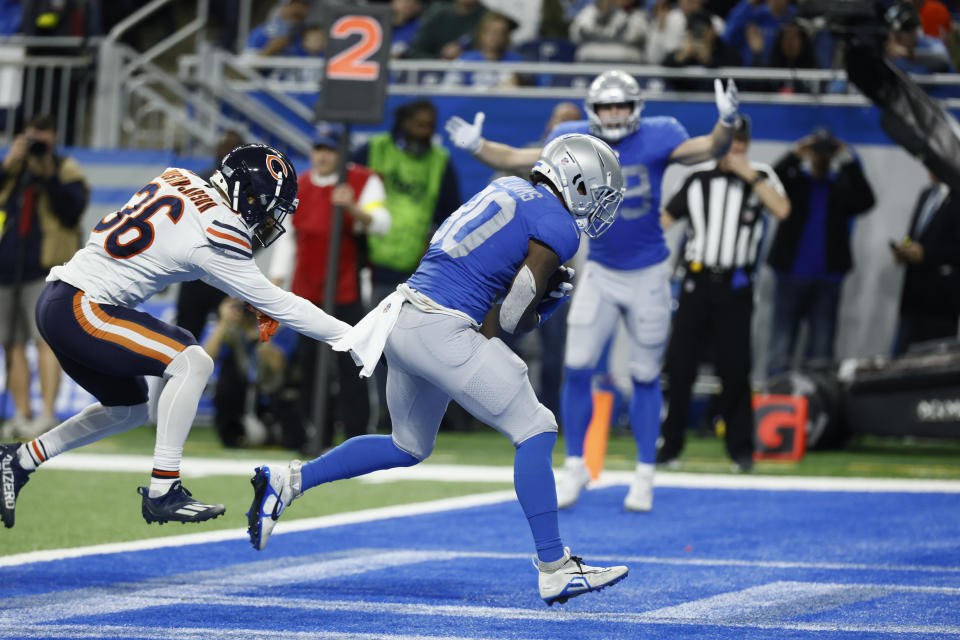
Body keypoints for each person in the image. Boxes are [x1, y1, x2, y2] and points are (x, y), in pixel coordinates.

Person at [248, 133, 630, 606]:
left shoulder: (504, 188)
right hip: (440, 325)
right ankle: (554, 568)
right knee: (536, 426)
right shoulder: (557, 224)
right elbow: (511, 318)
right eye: (598, 192)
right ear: (575, 181)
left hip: (402, 315)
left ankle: (290, 481)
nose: (598, 206)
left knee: (407, 445)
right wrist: (544, 307)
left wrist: (529, 301)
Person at [0, 144, 352, 529]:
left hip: (62, 300)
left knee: (129, 408)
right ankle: (163, 491)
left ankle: (20, 460)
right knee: (192, 360)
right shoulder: (220, 229)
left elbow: (188, 247)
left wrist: (255, 297)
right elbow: (282, 304)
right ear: (243, 191)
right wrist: (353, 337)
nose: (268, 216)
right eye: (264, 203)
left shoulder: (178, 178)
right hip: (83, 308)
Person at [444, 70, 740, 512]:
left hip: (649, 273)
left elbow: (710, 147)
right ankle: (577, 465)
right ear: (593, 110)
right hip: (600, 269)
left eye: (622, 105)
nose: (615, 114)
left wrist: (728, 122)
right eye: (607, 106)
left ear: (636, 106)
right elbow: (518, 158)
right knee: (578, 366)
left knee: (643, 374)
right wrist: (477, 146)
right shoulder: (572, 138)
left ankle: (644, 472)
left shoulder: (659, 135)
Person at [657, 116, 791, 471]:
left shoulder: (760, 176)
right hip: (696, 283)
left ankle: (740, 449)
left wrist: (749, 174)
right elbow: (664, 221)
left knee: (735, 368)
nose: (737, 150)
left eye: (742, 144)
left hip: (735, 286)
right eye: (732, 143)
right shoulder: (698, 179)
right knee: (680, 366)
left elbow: (782, 209)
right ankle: (669, 446)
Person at [269, 130, 391, 452]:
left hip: (348, 287)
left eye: (330, 151)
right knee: (310, 366)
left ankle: (357, 436)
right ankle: (316, 433)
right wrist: (277, 279)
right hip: (307, 289)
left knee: (352, 365)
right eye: (318, 150)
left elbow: (380, 223)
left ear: (342, 154)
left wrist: (353, 207)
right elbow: (287, 236)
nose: (323, 157)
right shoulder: (299, 185)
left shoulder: (363, 181)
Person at [0, 114, 88, 440]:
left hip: (45, 269)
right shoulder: (13, 169)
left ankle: (48, 414)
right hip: (6, 270)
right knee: (11, 345)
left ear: (53, 137)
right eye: (32, 135)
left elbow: (72, 210)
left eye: (43, 135)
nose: (37, 141)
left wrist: (46, 174)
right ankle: (23, 415)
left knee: (45, 342)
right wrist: (10, 162)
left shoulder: (65, 168)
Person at [766, 128, 875, 379]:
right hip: (790, 275)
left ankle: (817, 405)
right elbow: (770, 180)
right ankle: (774, 401)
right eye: (817, 152)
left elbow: (867, 200)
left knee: (821, 353)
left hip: (828, 279)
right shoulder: (795, 184)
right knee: (780, 347)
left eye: (826, 153)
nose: (822, 157)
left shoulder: (841, 188)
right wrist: (795, 154)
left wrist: (847, 159)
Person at [202, 297, 303, 450]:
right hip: (245, 394)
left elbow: (278, 364)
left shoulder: (281, 325)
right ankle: (233, 434)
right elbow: (206, 359)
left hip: (274, 391)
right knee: (227, 374)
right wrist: (223, 322)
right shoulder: (233, 330)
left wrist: (260, 334)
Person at [174, 130, 244, 341]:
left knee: (230, 335)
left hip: (225, 273)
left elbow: (263, 229)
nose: (225, 154)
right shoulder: (198, 182)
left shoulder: (250, 188)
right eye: (224, 149)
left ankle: (229, 375)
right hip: (199, 273)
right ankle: (177, 372)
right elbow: (180, 224)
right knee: (186, 335)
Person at [890, 171, 960, 354]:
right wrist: (904, 250)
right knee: (902, 355)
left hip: (940, 303)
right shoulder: (926, 194)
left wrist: (926, 254)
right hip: (912, 296)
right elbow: (914, 236)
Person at [662, 11, 743, 92]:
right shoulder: (684, 53)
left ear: (712, 30)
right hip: (687, 101)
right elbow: (666, 73)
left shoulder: (728, 53)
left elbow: (733, 82)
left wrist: (709, 61)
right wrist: (681, 58)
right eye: (693, 30)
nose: (698, 34)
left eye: (702, 30)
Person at [569, 0, 649, 63]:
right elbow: (576, 35)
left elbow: (632, 37)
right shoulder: (589, 11)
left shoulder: (638, 15)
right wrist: (602, 14)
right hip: (590, 62)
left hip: (627, 64)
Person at [406, 0, 487, 60]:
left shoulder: (487, 18)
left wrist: (463, 56)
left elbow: (492, 54)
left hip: (473, 72)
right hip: (434, 71)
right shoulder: (438, 14)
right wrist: (439, 60)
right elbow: (417, 50)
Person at [244, 0, 311, 57]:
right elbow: (246, 67)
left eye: (302, 5)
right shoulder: (262, 32)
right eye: (293, 5)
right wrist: (270, 50)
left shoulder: (312, 33)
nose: (297, 10)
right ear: (282, 7)